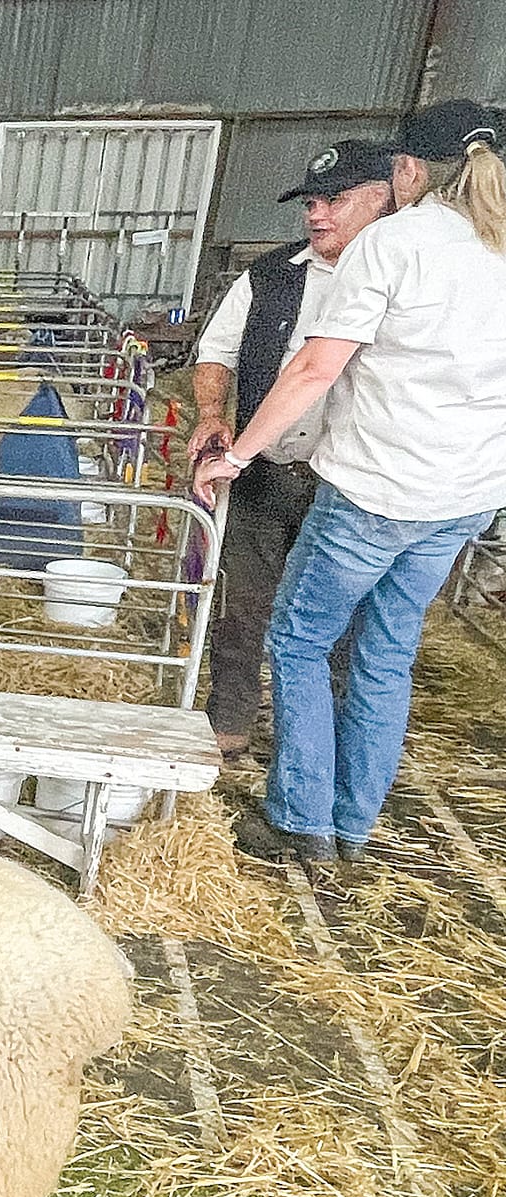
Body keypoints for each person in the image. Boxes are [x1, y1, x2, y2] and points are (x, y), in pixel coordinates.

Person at [194, 100, 506, 866]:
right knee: (387, 653)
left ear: (405, 171)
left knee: (299, 642)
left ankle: (302, 819)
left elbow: (314, 367)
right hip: (462, 497)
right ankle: (353, 821)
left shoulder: (397, 243)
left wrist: (235, 456)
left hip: (376, 489)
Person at [187, 140, 395, 756]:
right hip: (263, 469)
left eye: (336, 199)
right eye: (312, 200)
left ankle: (319, 741)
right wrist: (211, 413)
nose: (317, 213)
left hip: (351, 483)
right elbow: (217, 351)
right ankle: (229, 724)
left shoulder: (404, 277)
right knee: (241, 600)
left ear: (383, 197)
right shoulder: (272, 275)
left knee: (342, 617)